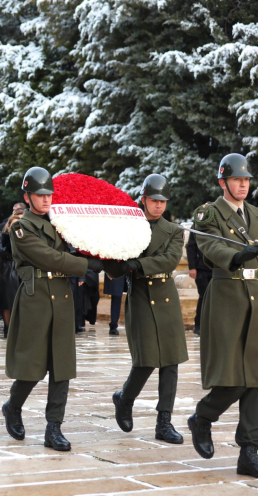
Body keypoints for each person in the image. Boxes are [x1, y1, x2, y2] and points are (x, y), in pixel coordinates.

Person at [1, 167, 102, 452]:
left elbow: (76, 247)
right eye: (40, 195)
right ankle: (13, 405)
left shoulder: (60, 222)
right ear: (27, 196)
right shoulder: (22, 226)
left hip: (62, 296)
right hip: (37, 299)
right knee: (32, 366)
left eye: (49, 195)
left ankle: (53, 427)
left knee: (62, 367)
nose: (46, 200)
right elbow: (49, 258)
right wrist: (86, 265)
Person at [188, 153, 258, 478]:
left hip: (255, 301)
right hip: (228, 299)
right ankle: (203, 417)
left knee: (256, 379)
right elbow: (211, 248)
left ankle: (249, 450)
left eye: (246, 179)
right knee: (232, 380)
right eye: (236, 179)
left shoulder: (256, 214)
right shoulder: (209, 214)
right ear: (223, 182)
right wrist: (238, 255)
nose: (243, 184)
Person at [106, 174, 188, 445]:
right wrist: (116, 258)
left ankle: (164, 421)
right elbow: (114, 267)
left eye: (162, 201)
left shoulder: (174, 230)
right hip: (141, 296)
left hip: (165, 297)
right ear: (143, 199)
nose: (159, 206)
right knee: (146, 359)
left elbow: (170, 260)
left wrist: (139, 264)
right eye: (154, 200)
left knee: (171, 361)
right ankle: (125, 397)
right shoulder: (127, 226)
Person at [186, 206, 213, 336]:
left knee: (216, 298)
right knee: (203, 297)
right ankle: (199, 325)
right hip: (201, 269)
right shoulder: (197, 225)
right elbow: (191, 246)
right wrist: (192, 267)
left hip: (216, 269)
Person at [0, 212, 23, 338]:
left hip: (22, 270)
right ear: (8, 225)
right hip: (8, 269)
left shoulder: (26, 237)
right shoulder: (3, 236)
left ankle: (17, 327)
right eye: (13, 224)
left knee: (20, 301)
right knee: (7, 301)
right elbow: (0, 252)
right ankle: (7, 327)